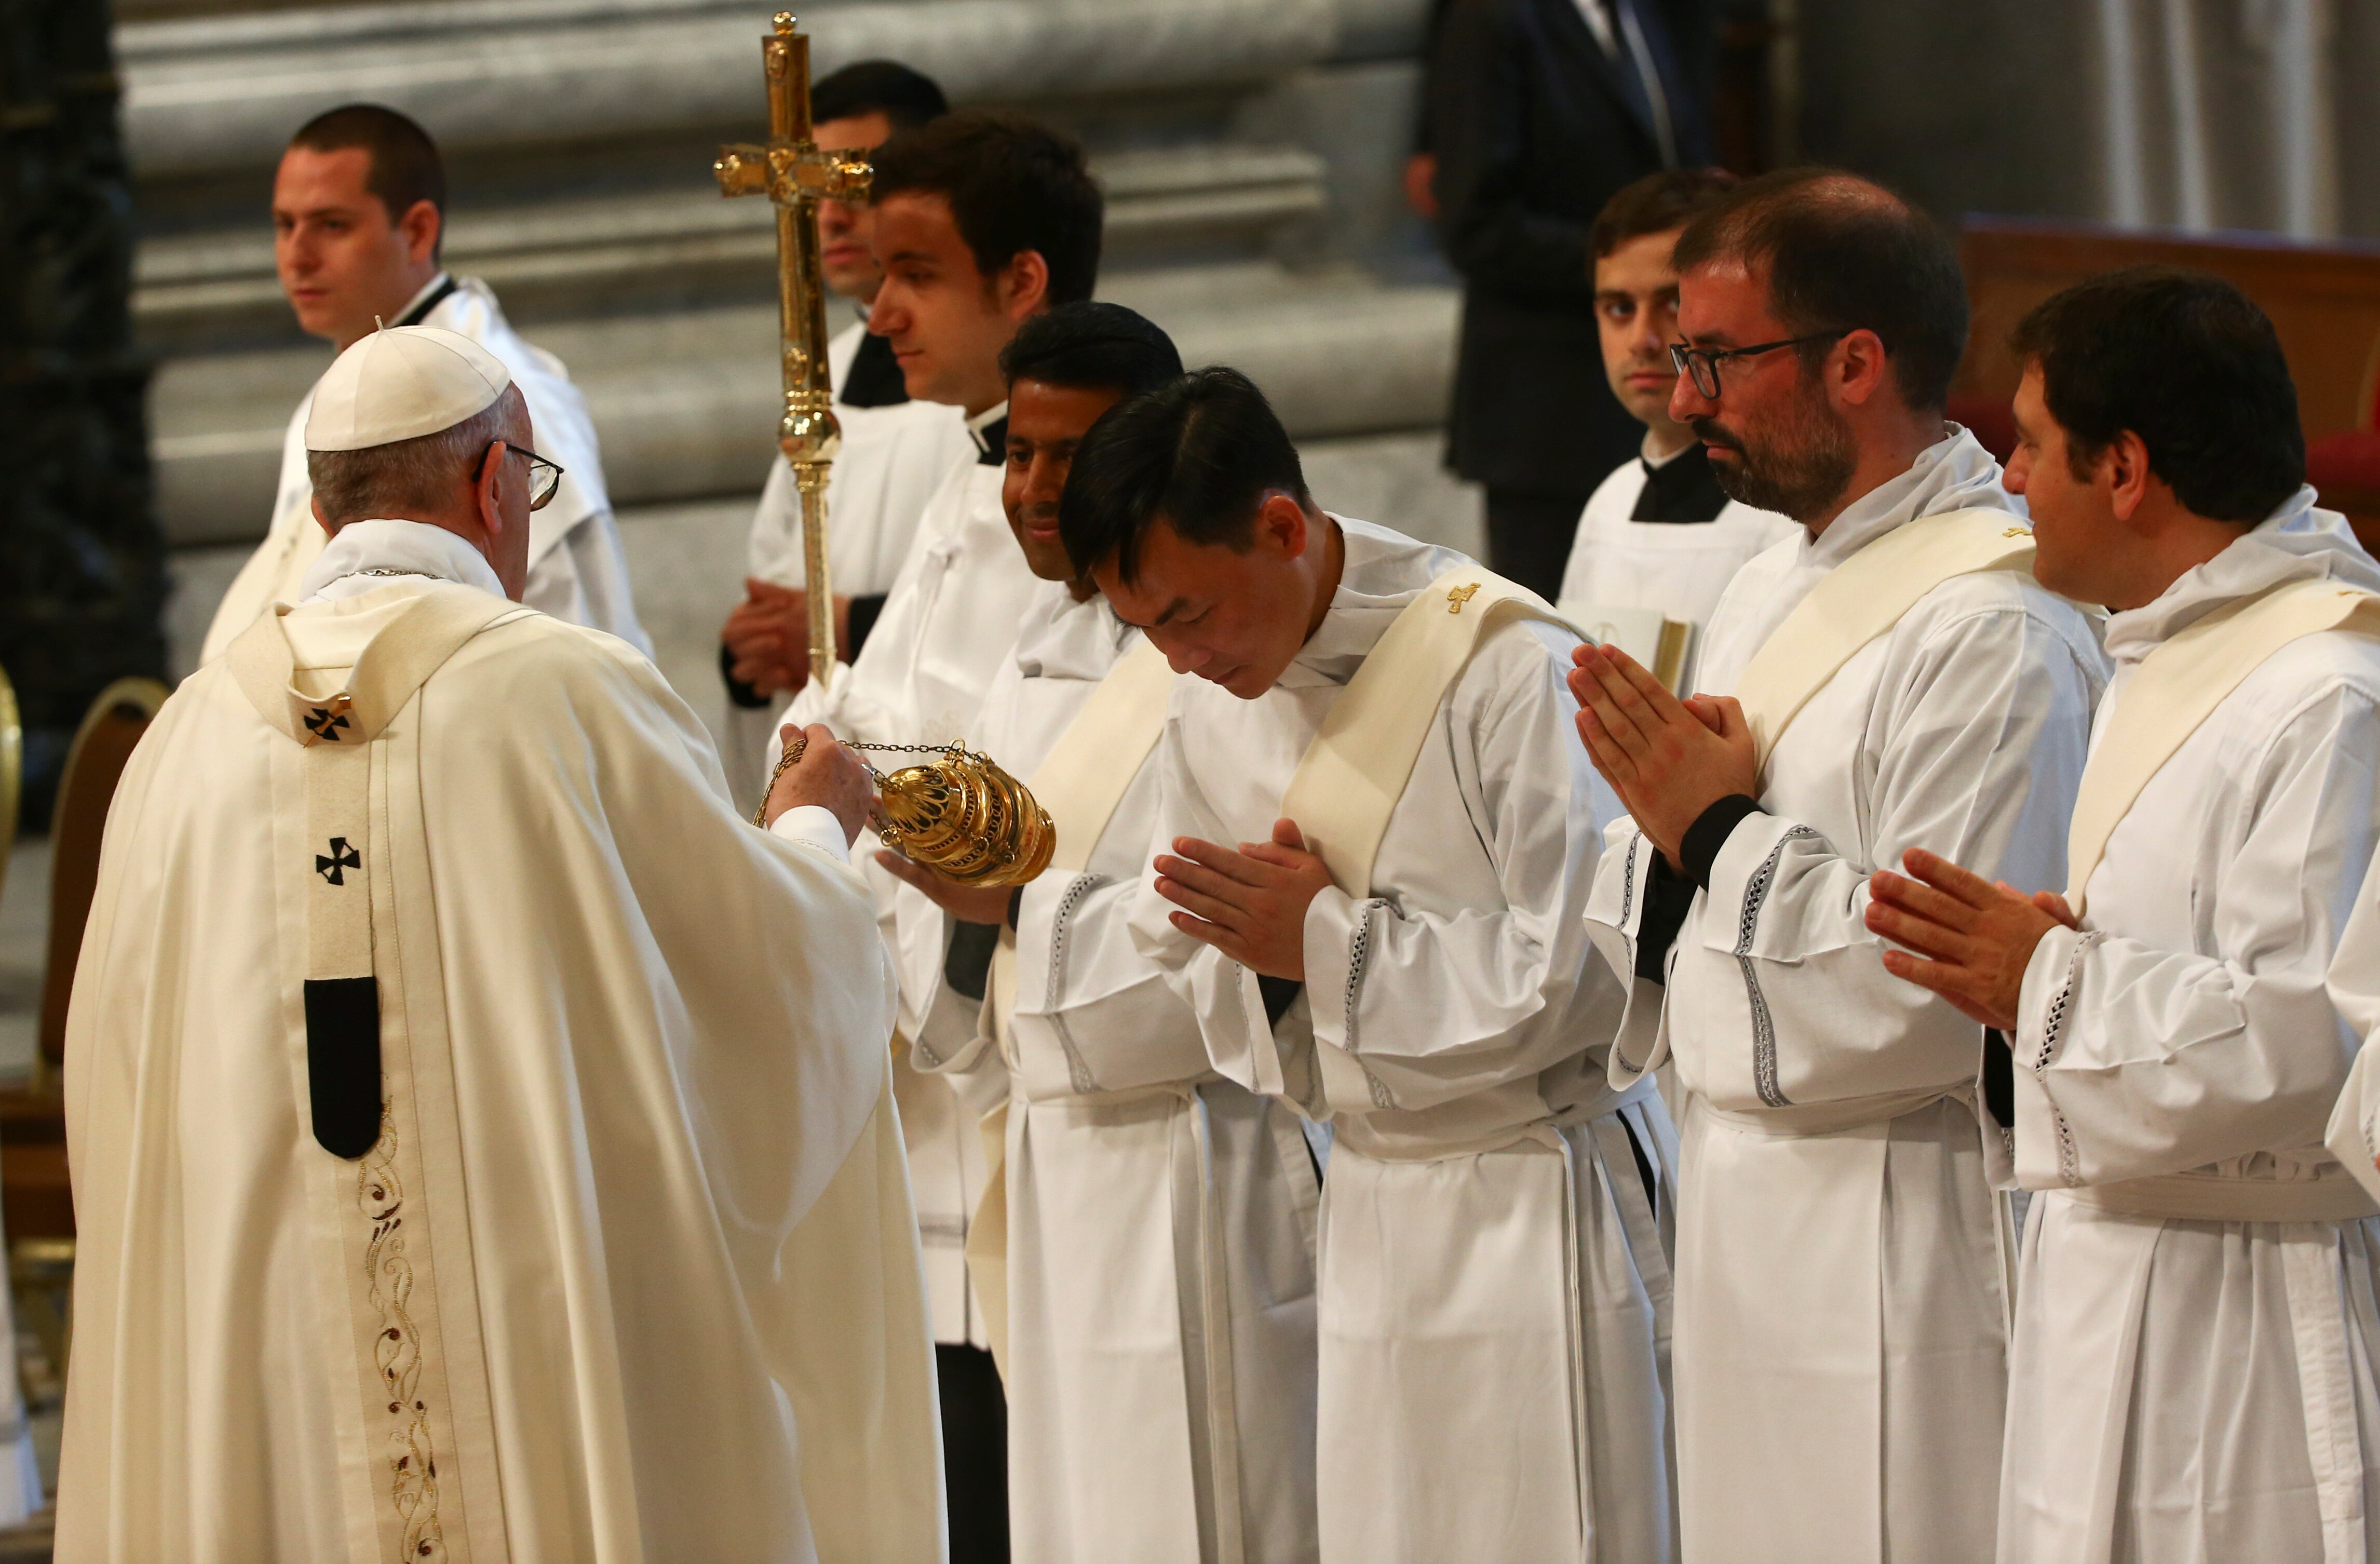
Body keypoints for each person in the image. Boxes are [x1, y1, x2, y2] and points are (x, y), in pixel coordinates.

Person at [57, 326, 938, 1561]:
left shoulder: (184, 739)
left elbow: (112, 1103)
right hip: (524, 1320)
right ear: (492, 484)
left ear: (317, 507)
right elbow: (764, 988)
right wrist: (810, 824)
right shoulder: (566, 693)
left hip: (261, 1348)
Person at [1567, 170, 2106, 1564]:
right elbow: (1671, 899)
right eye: (1679, 357)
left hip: (1899, 1235)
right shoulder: (1772, 577)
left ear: (1855, 363)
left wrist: (1714, 834)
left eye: (1717, 359)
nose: (1687, 400)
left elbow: (1934, 997)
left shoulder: (1996, 627)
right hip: (1744, 1204)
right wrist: (1670, 840)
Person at [1065, 368, 1676, 1564]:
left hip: (1537, 1194)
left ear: (1281, 528)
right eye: (1142, 630)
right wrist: (1275, 966)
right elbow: (1201, 946)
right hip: (1371, 1197)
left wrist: (1322, 946)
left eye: (1185, 613)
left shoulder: (1506, 664)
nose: (1175, 660)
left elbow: (1579, 977)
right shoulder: (1208, 695)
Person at [1863, 269, 2380, 1564]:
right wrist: (2038, 973)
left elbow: (2309, 1042)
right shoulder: (2172, 644)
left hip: (2247, 1319)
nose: (2007, 476)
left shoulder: (2322, 692)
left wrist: (2042, 981)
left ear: (2125, 468)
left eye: (2030, 445)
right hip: (2110, 1281)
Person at [878, 303, 1322, 1563]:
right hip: (1055, 1152)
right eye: (1016, 453)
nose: (1028, 488)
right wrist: (957, 923)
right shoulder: (1031, 647)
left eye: (1064, 458)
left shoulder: (1222, 661)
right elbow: (971, 908)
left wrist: (1011, 914)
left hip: (1199, 1160)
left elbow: (1229, 920)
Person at [774, 107, 1105, 1564]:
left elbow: (1027, 798)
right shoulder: (959, 484)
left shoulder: (1083, 511)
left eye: (914, 273)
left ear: (1021, 283)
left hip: (1034, 1075)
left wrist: (855, 811)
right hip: (926, 1067)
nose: (876, 305)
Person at [199, 104, 647, 665]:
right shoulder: (339, 394)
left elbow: (583, 632)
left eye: (331, 225)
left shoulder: (497, 397)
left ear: (416, 231)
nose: (298, 256)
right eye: (285, 225)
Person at [719, 61, 972, 798]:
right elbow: (775, 575)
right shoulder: (823, 373)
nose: (826, 215)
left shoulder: (987, 376)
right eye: (812, 188)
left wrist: (842, 632)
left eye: (852, 183)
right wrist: (749, 654)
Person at [1429, 0, 1712, 599]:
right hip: (1546, 414)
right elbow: (1478, 227)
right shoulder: (1493, 20)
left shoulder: (1647, 14)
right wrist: (1636, 264)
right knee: (1558, 652)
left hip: (1666, 398)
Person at [1556, 167, 1796, 693]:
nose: (1642, 340)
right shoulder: (1610, 502)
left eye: (1673, 304)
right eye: (1619, 308)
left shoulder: (1789, 509)